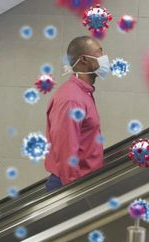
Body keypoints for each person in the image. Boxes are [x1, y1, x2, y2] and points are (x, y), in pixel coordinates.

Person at [44, 35, 111, 192]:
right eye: (99, 53)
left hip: (83, 180)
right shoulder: (72, 99)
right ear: (84, 60)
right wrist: (74, 194)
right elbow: (66, 153)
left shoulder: (83, 93)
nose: (104, 57)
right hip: (70, 184)